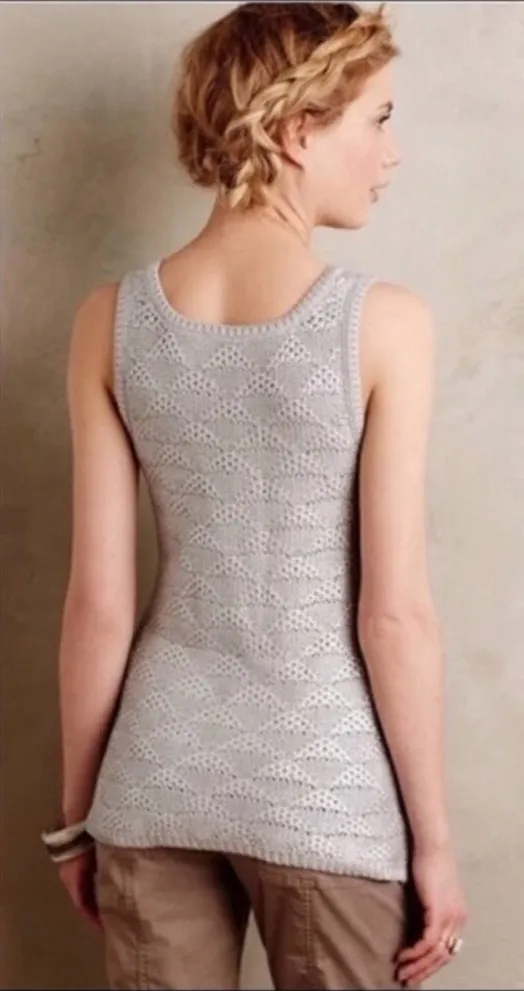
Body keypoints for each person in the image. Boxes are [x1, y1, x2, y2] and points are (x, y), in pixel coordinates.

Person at [42, 3, 468, 988]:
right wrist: (435, 843)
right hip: (326, 792)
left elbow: (98, 606)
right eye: (376, 118)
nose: (392, 152)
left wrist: (78, 822)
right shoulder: (382, 324)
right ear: (295, 130)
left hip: (152, 784)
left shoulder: (110, 320)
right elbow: (393, 616)